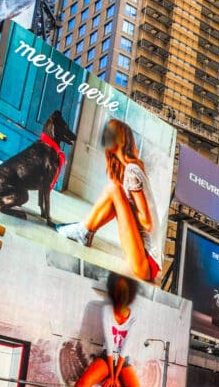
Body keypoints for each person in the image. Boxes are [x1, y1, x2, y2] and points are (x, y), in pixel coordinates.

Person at [21, 274, 158, 387]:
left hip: (123, 360)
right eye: (118, 290)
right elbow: (109, 342)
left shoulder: (134, 316)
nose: (121, 294)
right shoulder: (106, 310)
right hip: (106, 356)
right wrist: (111, 373)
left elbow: (125, 348)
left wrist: (115, 377)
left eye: (125, 290)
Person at [57, 119, 162, 282]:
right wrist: (123, 208)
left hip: (146, 263)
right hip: (144, 258)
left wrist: (125, 209)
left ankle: (82, 231)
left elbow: (147, 223)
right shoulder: (131, 167)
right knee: (115, 188)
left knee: (115, 189)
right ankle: (84, 231)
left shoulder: (132, 170)